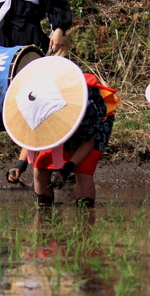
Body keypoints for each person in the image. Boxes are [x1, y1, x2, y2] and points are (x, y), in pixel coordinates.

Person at [32, 75, 117, 208]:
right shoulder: (38, 106)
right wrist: (20, 164)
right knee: (41, 164)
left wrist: (66, 169)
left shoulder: (87, 109)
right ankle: (44, 215)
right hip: (59, 128)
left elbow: (88, 143)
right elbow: (31, 135)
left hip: (95, 127)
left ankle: (86, 221)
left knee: (84, 170)